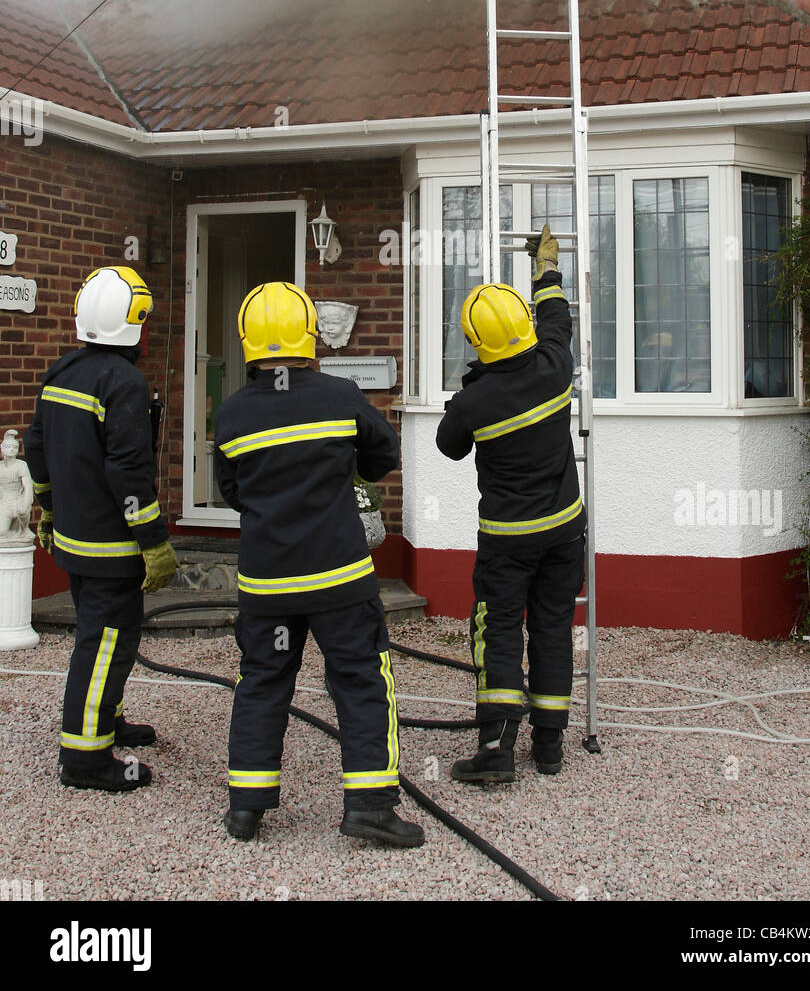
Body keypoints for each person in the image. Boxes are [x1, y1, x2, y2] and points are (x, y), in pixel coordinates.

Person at [213, 280, 424, 847]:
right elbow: (384, 455)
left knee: (262, 679)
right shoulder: (340, 395)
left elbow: (231, 492)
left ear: (248, 342)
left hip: (267, 582)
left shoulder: (231, 415)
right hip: (339, 578)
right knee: (359, 679)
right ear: (310, 337)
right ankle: (371, 807)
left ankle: (246, 809)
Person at [436, 226, 586, 781]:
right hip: (564, 532)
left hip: (507, 540)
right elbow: (556, 317)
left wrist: (465, 394)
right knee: (551, 625)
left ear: (477, 343)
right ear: (522, 327)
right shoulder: (553, 363)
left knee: (498, 627)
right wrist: (546, 270)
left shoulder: (476, 401)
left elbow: (448, 448)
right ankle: (548, 747)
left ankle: (496, 752)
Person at [24, 265, 178, 793]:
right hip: (111, 548)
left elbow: (36, 447)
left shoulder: (61, 372)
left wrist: (46, 508)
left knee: (105, 639)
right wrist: (154, 541)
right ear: (133, 324)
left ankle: (103, 720)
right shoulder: (124, 383)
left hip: (72, 540)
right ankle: (86, 759)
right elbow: (128, 470)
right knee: (106, 641)